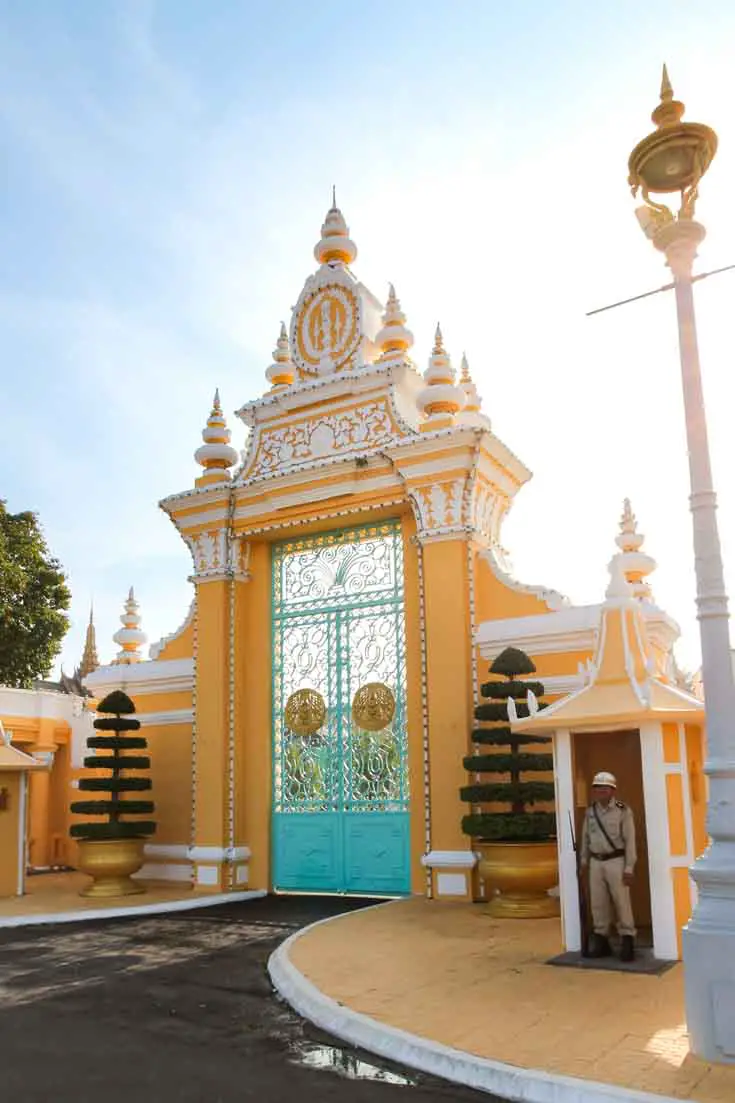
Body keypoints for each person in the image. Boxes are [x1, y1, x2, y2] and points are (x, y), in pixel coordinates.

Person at [580, 771, 637, 962]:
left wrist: (629, 867)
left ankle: (627, 940)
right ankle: (602, 940)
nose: (601, 791)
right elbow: (585, 838)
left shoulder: (623, 811)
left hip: (616, 861)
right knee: (598, 904)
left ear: (613, 790)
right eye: (597, 788)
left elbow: (630, 841)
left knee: (622, 902)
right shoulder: (590, 812)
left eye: (605, 788)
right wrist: (583, 862)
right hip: (596, 862)